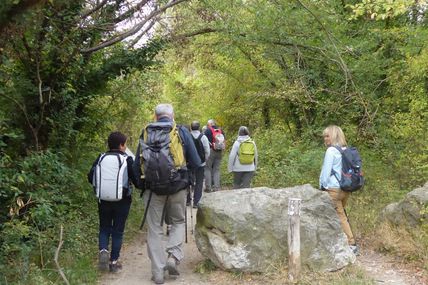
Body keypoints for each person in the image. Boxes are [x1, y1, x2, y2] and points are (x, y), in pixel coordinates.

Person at [136, 104, 201, 284]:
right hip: (177, 186)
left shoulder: (146, 132)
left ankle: (157, 272)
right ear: (172, 116)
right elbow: (196, 161)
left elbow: (136, 165)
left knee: (155, 229)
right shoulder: (180, 131)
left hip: (153, 189)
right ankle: (173, 256)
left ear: (155, 117)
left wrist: (143, 184)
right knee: (178, 222)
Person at [87, 131, 136, 273]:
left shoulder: (101, 158)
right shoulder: (127, 159)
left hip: (103, 200)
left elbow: (91, 177)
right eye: (125, 144)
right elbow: (135, 179)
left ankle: (103, 250)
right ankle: (113, 262)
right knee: (118, 231)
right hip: (123, 200)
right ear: (121, 145)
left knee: (104, 228)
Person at [319, 125, 359, 255]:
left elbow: (326, 172)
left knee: (339, 217)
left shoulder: (331, 151)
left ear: (334, 136)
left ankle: (351, 244)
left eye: (327, 135)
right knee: (341, 216)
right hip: (345, 189)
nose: (325, 139)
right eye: (324, 136)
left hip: (333, 189)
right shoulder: (346, 150)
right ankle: (342, 241)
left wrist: (322, 187)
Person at [188, 121, 210, 208]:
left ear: (191, 127)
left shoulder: (187, 136)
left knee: (188, 181)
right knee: (199, 182)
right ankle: (196, 202)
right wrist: (205, 160)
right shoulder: (203, 137)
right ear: (199, 127)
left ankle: (188, 200)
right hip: (201, 163)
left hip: (189, 163)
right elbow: (207, 151)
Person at [204, 119, 226, 192]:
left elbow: (204, 141)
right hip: (219, 151)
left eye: (208, 124)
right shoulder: (221, 130)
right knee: (216, 169)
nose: (207, 126)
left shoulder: (207, 131)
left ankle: (208, 187)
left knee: (208, 169)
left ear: (210, 124)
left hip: (210, 151)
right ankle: (216, 187)